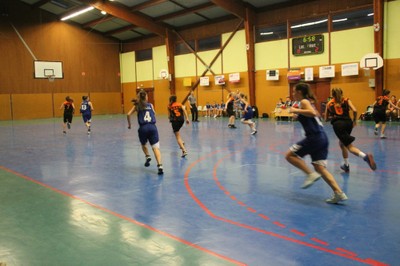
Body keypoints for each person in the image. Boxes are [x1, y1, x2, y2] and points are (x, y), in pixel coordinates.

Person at [285, 83, 347, 204]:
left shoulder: (304, 101)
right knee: (320, 167)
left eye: (294, 92)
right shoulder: (308, 102)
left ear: (299, 92)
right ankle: (339, 192)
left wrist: (295, 110)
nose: (292, 94)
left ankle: (310, 174)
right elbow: (313, 115)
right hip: (322, 137)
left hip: (314, 137)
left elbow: (312, 113)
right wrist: (298, 115)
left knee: (289, 155)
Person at [325, 88, 376, 172]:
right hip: (348, 123)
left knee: (349, 146)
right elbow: (355, 110)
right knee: (342, 144)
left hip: (338, 125)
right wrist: (354, 121)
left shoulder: (329, 104)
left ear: (332, 95)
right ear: (342, 93)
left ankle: (365, 157)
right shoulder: (346, 100)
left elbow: (325, 119)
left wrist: (332, 117)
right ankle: (346, 165)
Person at [127, 90, 163, 175]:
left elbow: (128, 114)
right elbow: (154, 113)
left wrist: (129, 124)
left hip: (143, 128)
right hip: (152, 127)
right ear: (146, 97)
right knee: (155, 148)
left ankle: (147, 156)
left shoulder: (137, 106)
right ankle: (160, 166)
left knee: (143, 144)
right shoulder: (151, 105)